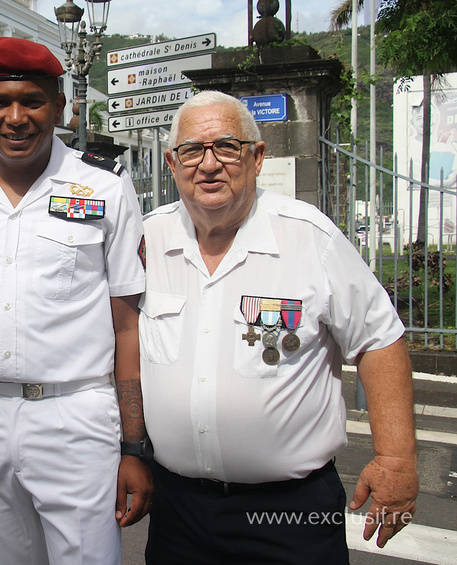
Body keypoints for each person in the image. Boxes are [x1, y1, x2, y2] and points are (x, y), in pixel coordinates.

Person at [139, 90, 418, 564]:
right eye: (192, 150)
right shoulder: (145, 239)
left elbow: (378, 340)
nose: (208, 165)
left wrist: (395, 460)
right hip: (177, 509)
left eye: (226, 147)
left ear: (257, 156)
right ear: (171, 162)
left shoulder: (309, 236)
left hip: (288, 512)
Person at [0, 36, 153, 564]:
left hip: (74, 417)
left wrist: (134, 446)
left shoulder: (104, 188)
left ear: (60, 108)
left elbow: (125, 325)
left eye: (34, 101)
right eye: (0, 102)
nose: (16, 117)